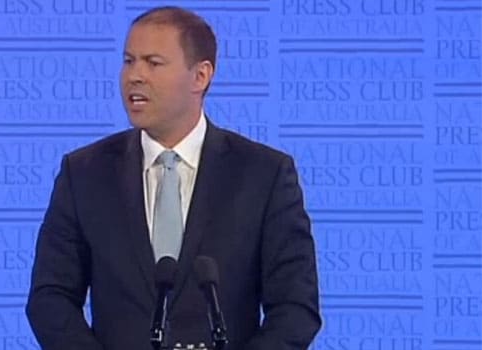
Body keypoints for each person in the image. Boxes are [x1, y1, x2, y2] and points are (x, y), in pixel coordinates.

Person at [26, 6, 321, 350]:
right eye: (128, 60)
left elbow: (295, 307)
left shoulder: (264, 174)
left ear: (201, 76)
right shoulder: (85, 173)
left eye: (153, 62)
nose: (134, 76)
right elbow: (50, 298)